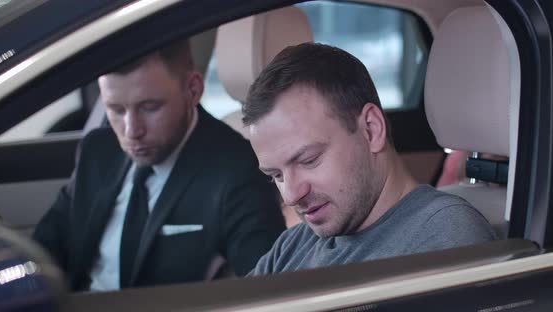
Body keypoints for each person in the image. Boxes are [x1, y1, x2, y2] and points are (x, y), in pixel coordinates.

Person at [33, 40, 285, 291]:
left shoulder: (237, 169)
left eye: (149, 107)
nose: (132, 131)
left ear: (193, 90)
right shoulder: (97, 151)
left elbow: (266, 288)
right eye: (117, 109)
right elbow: (45, 248)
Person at [242, 43, 497, 275]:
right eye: (276, 175)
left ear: (371, 130)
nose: (291, 196)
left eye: (309, 160)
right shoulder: (292, 246)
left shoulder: (445, 238)